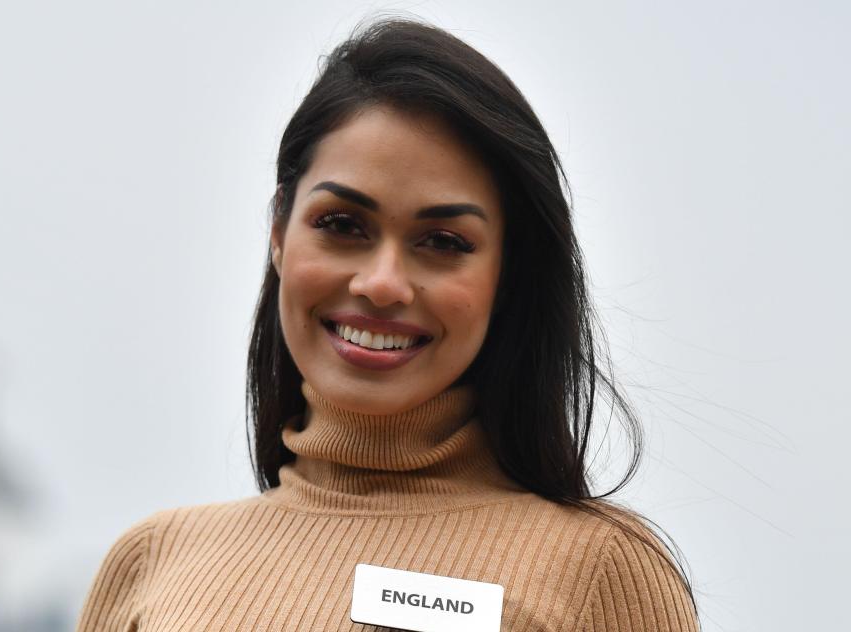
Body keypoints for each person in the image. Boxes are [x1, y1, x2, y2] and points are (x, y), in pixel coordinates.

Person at [76, 16, 699, 631]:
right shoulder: (153, 562)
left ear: (507, 277)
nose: (381, 283)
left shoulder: (600, 573)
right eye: (343, 225)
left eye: (443, 241)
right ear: (277, 233)